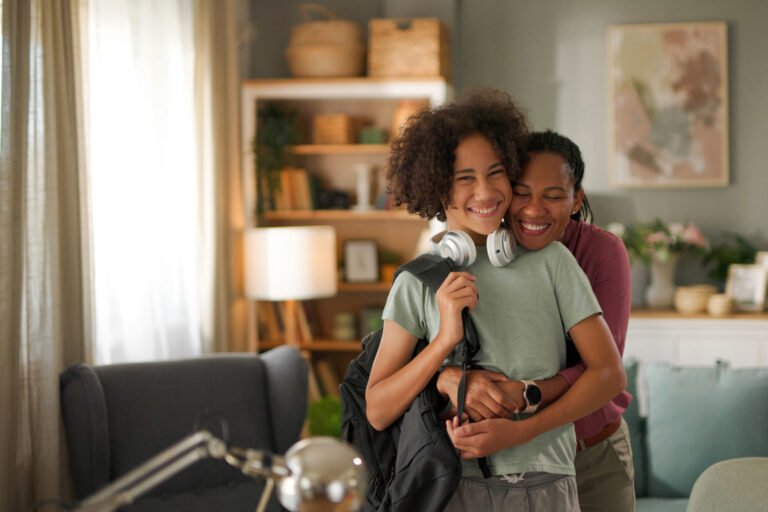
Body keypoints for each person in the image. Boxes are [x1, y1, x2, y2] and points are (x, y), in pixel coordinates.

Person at [365, 90, 626, 512]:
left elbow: (609, 374)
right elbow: (377, 410)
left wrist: (521, 432)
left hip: (549, 479)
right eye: (465, 177)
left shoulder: (551, 260)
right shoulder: (418, 281)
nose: (485, 192)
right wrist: (443, 343)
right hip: (454, 482)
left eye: (496, 173)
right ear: (436, 183)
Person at [438, 130, 635, 511]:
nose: (533, 210)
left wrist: (528, 398)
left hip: (590, 453)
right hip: (510, 466)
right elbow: (430, 354)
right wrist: (447, 378)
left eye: (554, 195)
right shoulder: (473, 251)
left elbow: (604, 372)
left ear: (576, 199)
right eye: (522, 192)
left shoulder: (600, 252)